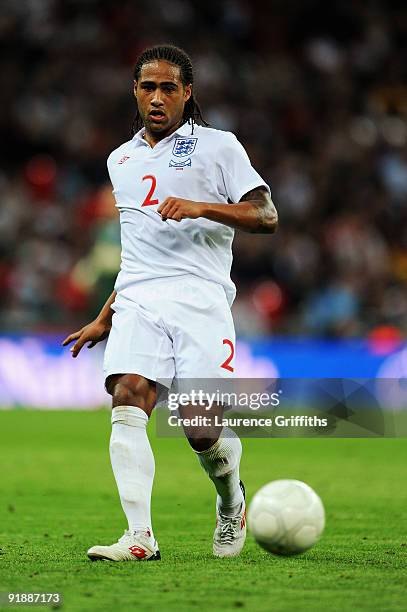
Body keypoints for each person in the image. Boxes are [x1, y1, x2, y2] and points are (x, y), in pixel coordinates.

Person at [63, 44, 278, 562]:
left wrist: (202, 207)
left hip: (200, 298)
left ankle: (232, 502)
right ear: (135, 91)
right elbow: (136, 252)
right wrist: (104, 315)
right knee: (128, 394)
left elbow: (266, 216)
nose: (156, 97)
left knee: (201, 428)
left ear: (187, 93)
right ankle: (139, 537)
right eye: (147, 87)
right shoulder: (122, 160)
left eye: (168, 88)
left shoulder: (219, 146)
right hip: (139, 298)